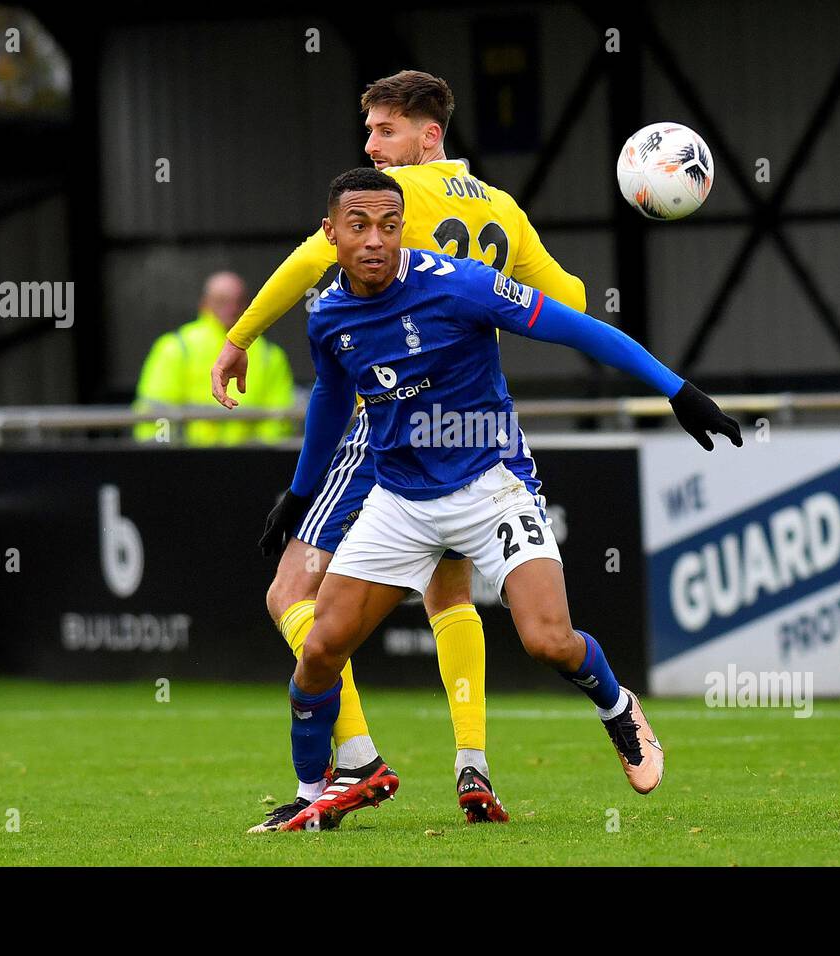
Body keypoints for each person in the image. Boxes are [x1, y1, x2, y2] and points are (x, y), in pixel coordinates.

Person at [264, 168, 742, 832]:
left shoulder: (461, 286)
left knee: (548, 642)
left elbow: (577, 328)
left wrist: (676, 389)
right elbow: (331, 398)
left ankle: (616, 706)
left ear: (403, 229)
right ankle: (317, 795)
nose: (375, 240)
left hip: (492, 488)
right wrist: (301, 492)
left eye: (389, 226)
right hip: (399, 500)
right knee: (320, 651)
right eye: (359, 226)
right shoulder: (329, 315)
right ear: (330, 233)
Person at [221, 71, 588, 830]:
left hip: (382, 421)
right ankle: (472, 766)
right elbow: (573, 302)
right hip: (468, 424)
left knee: (290, 591)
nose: (371, 146)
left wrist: (241, 336)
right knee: (448, 597)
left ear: (428, 139)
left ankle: (351, 761)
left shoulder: (393, 198)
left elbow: (305, 264)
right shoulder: (499, 206)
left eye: (384, 131)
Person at [135, 271, 294, 446]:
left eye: (238, 301)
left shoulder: (270, 355)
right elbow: (156, 412)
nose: (232, 308)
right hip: (187, 460)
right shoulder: (175, 348)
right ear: (205, 303)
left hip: (249, 462)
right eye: (222, 301)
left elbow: (279, 419)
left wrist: (260, 456)